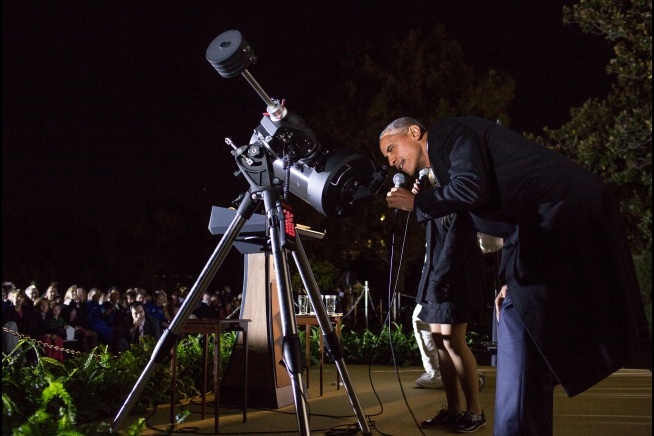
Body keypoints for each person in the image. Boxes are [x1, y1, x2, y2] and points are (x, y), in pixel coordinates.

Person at [381, 116, 649, 435]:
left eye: (391, 148)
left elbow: (471, 189)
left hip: (563, 210)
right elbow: (508, 217)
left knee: (517, 319)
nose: (391, 160)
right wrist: (509, 278)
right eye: (386, 157)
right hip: (543, 220)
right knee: (518, 315)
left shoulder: (450, 134)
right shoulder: (446, 163)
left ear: (415, 132)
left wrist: (419, 202)